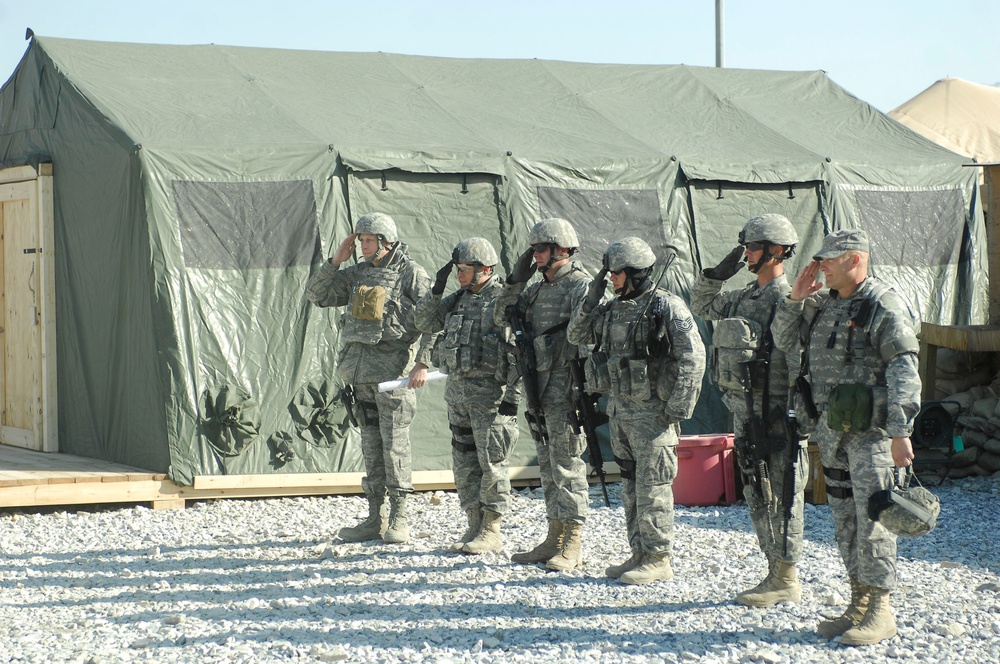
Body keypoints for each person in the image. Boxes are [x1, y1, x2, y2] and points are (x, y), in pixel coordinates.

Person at [771, 229, 920, 646]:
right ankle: (858, 601)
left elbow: (904, 368)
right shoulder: (820, 305)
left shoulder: (881, 304)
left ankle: (881, 610)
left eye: (830, 260)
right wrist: (795, 299)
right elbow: (783, 341)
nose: (821, 267)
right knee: (843, 520)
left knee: (874, 518)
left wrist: (900, 431)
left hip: (871, 437)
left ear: (855, 260)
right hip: (831, 431)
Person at [568, 237, 705, 585]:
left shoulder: (665, 306)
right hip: (620, 412)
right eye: (609, 274)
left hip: (653, 416)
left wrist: (677, 408)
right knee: (630, 485)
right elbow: (576, 334)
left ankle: (658, 557)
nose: (611, 279)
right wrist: (592, 295)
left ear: (636, 274)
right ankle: (639, 552)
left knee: (654, 486)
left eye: (616, 274)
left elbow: (693, 356)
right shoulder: (612, 308)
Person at [690, 213, 810, 607]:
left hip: (778, 416)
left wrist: (796, 417)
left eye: (753, 247)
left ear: (776, 250)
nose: (746, 253)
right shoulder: (743, 297)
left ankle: (787, 576)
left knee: (785, 495)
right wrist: (715, 274)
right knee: (757, 492)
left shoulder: (790, 299)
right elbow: (703, 303)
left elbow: (800, 364)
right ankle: (773, 569)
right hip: (746, 414)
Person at [305, 212, 437, 545]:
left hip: (394, 376)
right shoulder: (357, 274)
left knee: (395, 449)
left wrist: (422, 362)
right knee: (371, 448)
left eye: (368, 241)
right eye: (360, 240)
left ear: (385, 242)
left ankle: (399, 516)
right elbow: (317, 296)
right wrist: (336, 260)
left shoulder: (411, 274)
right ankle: (374, 517)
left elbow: (434, 319)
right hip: (360, 377)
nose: (362, 246)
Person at [493, 218, 592, 571]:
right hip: (539, 389)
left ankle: (573, 541)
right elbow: (500, 318)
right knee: (548, 467)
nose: (535, 255)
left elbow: (586, 335)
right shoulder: (534, 290)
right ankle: (554, 535)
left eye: (541, 249)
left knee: (567, 466)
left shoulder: (581, 286)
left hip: (566, 390)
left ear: (562, 249)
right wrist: (514, 282)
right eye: (533, 250)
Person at [415, 237, 521, 554]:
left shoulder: (503, 301)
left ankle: (492, 529)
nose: (460, 274)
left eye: (464, 269)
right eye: (458, 269)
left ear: (484, 269)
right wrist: (437, 288)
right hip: (458, 396)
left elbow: (518, 353)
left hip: (491, 398)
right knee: (464, 464)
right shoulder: (457, 300)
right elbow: (424, 321)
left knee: (492, 464)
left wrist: (511, 398)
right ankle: (474, 524)